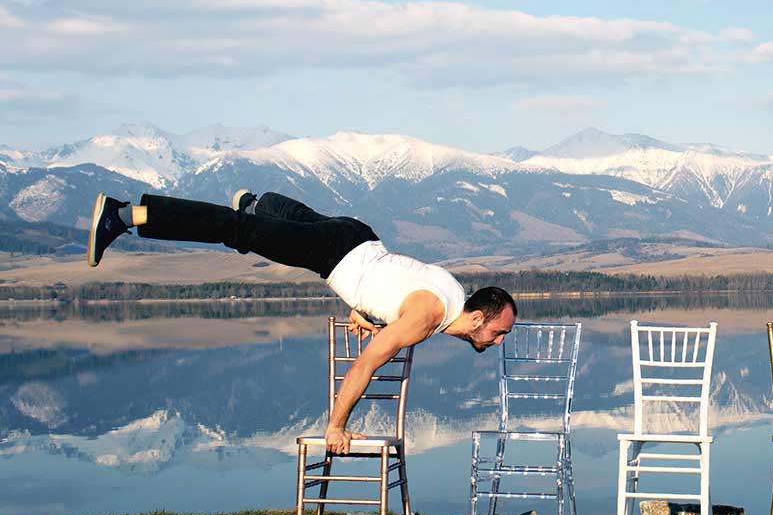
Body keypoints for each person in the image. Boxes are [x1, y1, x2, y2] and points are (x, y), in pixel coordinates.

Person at [87, 188, 517, 454]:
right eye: (498, 333)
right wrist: (336, 426)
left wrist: (367, 310)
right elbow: (365, 365)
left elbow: (398, 287)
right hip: (333, 254)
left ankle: (258, 203)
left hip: (358, 236)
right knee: (236, 231)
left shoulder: (453, 292)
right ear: (478, 317)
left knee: (262, 220)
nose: (498, 342)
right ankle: (125, 216)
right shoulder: (426, 318)